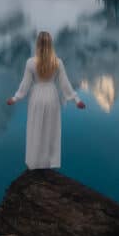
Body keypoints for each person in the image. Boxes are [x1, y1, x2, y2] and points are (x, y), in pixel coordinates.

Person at [6, 31, 86, 170]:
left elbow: (25, 85)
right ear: (51, 44)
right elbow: (65, 84)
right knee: (51, 130)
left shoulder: (30, 63)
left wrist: (15, 98)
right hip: (51, 96)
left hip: (36, 97)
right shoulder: (57, 62)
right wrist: (76, 99)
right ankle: (49, 162)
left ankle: (35, 162)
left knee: (35, 128)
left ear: (37, 44)